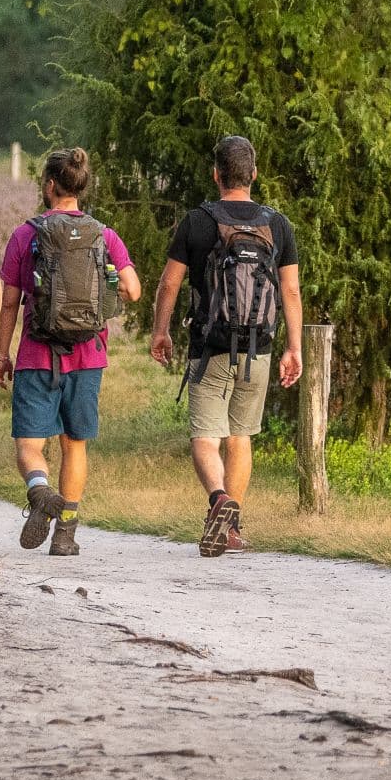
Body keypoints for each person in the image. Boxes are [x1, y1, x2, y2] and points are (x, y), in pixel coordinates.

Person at [148, 134, 301, 558]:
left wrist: (160, 331)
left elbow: (170, 282)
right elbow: (290, 291)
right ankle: (231, 528)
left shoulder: (198, 221)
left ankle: (218, 499)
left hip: (209, 344)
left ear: (215, 175)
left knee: (204, 434)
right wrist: (294, 347)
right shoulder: (278, 224)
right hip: (260, 347)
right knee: (240, 436)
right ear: (253, 174)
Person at [0, 146, 141, 558]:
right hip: (88, 355)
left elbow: (8, 301)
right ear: (82, 187)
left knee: (29, 443)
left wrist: (2, 352)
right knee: (74, 445)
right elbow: (133, 289)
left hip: (37, 354)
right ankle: (66, 533)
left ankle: (40, 492)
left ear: (50, 185)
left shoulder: (26, 234)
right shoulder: (103, 235)